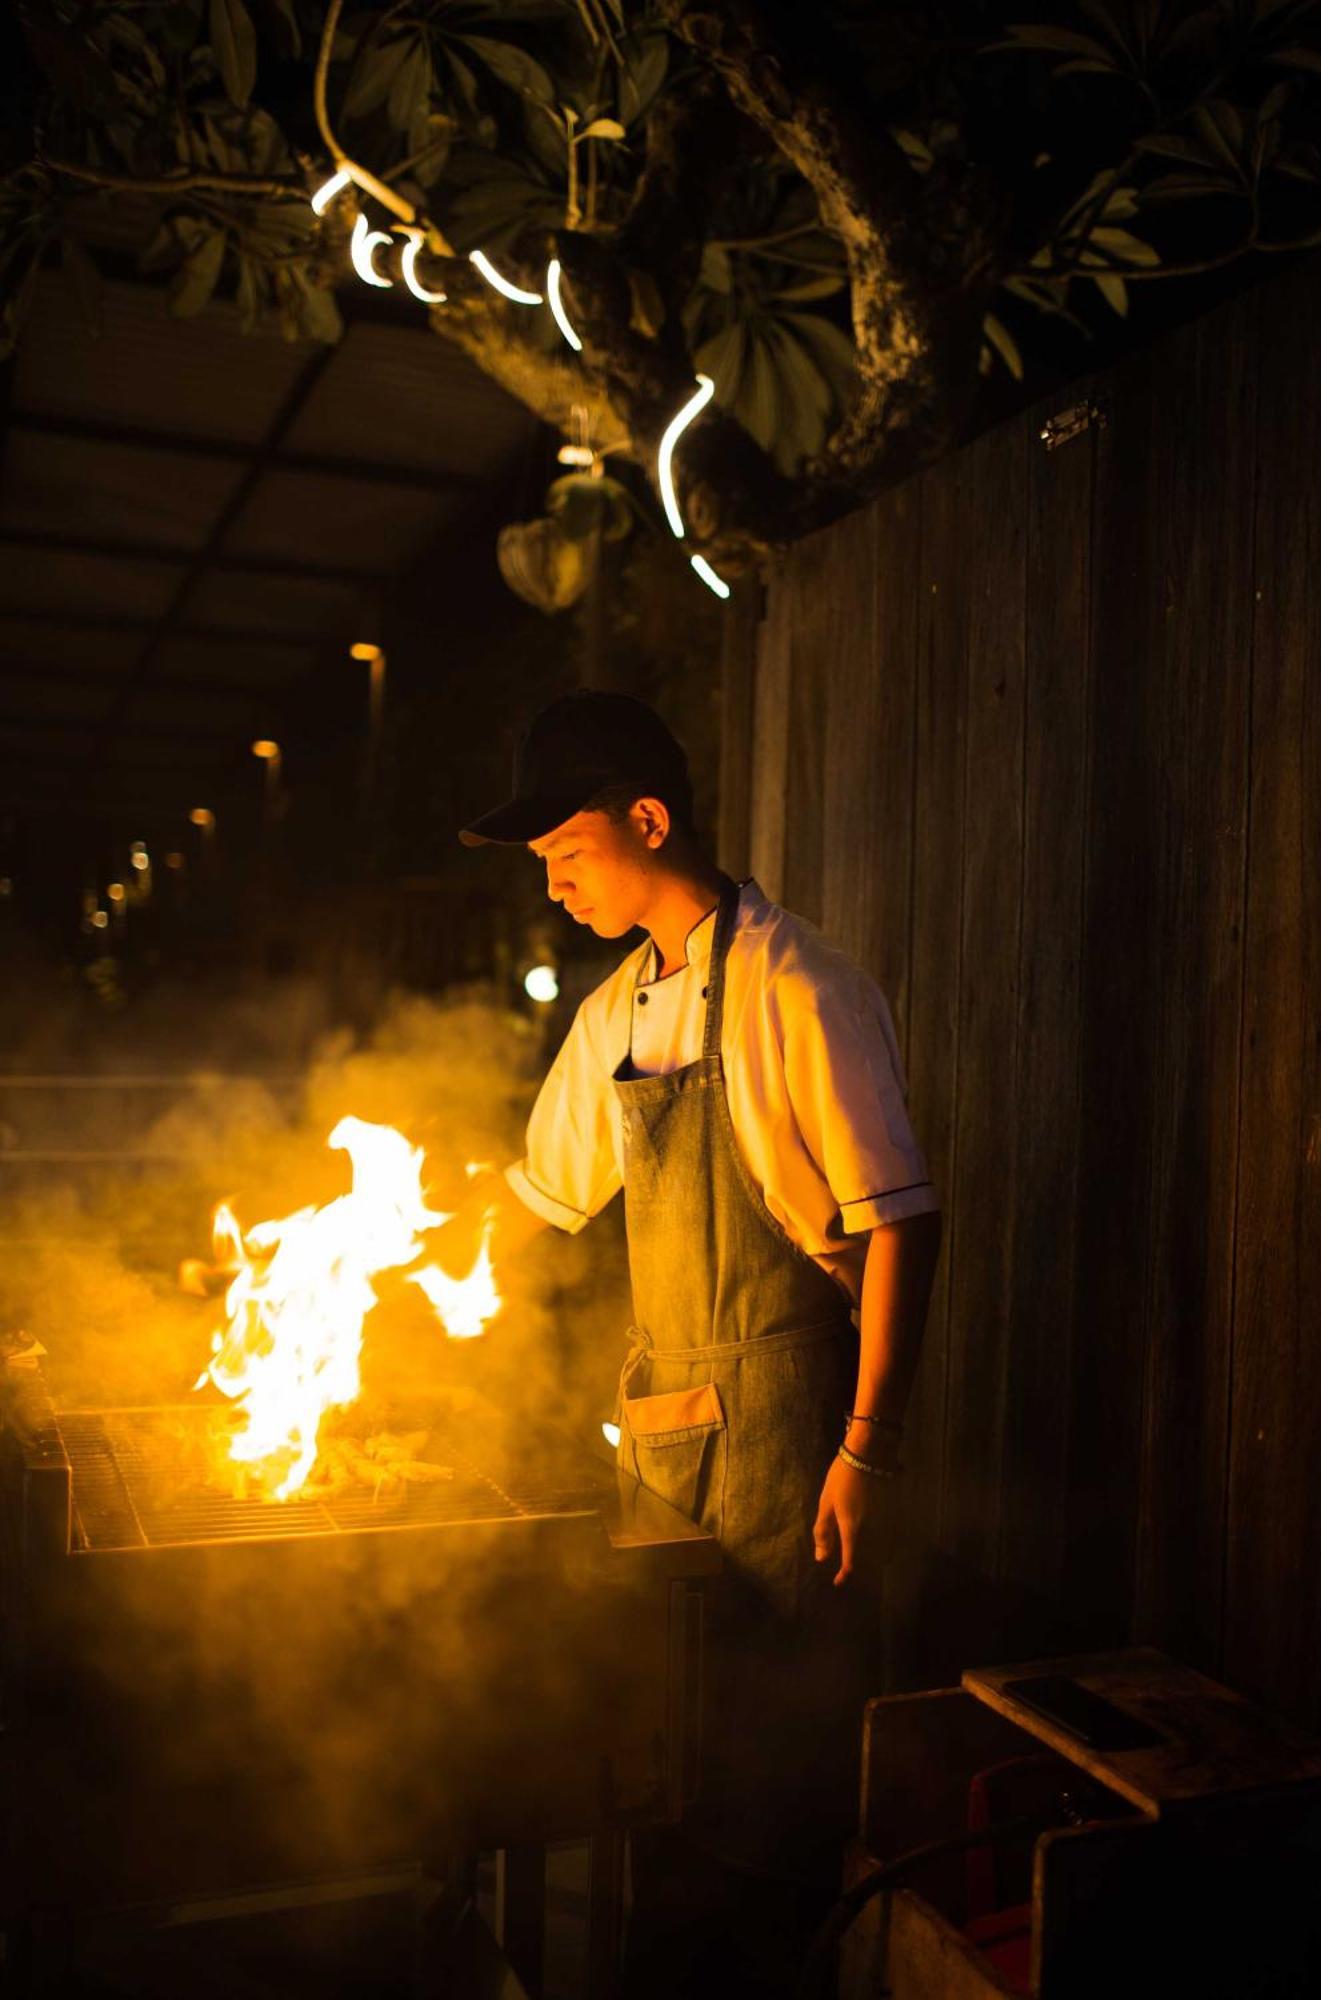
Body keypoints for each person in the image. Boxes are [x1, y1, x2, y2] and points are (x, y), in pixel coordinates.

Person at [451, 690, 940, 1996]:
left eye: (563, 855)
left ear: (647, 821)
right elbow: (534, 1198)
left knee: (769, 1783)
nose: (549, 886)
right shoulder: (616, 1009)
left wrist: (867, 1453)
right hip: (663, 1436)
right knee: (661, 1764)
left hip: (791, 1434)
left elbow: (899, 1225)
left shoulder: (797, 984)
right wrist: (394, 1280)